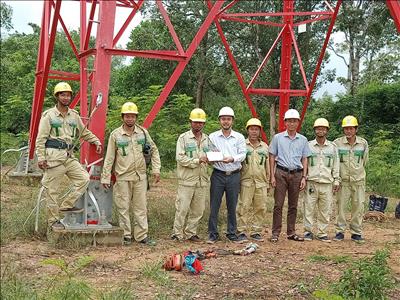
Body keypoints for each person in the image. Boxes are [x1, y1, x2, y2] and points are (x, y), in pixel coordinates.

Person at [36, 82, 102, 229]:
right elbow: (41, 139)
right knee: (52, 190)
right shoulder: (49, 116)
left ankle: (66, 205)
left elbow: (83, 132)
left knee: (84, 178)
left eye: (68, 95)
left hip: (69, 157)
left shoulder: (74, 115)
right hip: (53, 158)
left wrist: (96, 141)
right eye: (62, 94)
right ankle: (53, 221)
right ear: (57, 96)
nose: (66, 97)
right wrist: (41, 157)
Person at [100, 102, 161, 246]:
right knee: (123, 207)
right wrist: (105, 177)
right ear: (123, 117)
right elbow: (109, 157)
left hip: (140, 177)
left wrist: (156, 169)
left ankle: (141, 236)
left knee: (141, 207)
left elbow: (154, 150)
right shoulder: (116, 135)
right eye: (127, 116)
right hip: (123, 177)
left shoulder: (143, 133)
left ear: (136, 117)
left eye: (132, 116)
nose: (130, 119)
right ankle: (126, 235)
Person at [268, 109, 311, 243]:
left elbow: (305, 158)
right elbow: (272, 155)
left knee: (293, 205)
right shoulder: (278, 138)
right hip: (280, 172)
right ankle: (275, 233)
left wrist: (304, 176)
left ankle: (291, 232)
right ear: (285, 122)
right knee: (278, 204)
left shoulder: (303, 140)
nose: (292, 124)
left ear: (298, 123)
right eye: (289, 121)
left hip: (296, 174)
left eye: (294, 121)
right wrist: (272, 176)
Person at [207, 106, 247, 244]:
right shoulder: (212, 137)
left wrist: (232, 158)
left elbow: (242, 154)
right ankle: (212, 233)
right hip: (218, 174)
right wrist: (214, 158)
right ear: (220, 120)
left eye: (228, 119)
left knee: (232, 204)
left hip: (234, 175)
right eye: (223, 119)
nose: (226, 122)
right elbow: (210, 153)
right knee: (214, 205)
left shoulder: (239, 137)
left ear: (232, 121)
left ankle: (231, 233)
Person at [171, 108, 212, 242]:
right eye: (195, 122)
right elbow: (180, 158)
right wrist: (197, 160)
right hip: (187, 180)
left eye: (201, 122)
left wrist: (212, 159)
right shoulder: (183, 138)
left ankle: (191, 232)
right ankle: (177, 233)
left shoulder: (207, 139)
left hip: (202, 180)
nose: (198, 125)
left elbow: (212, 155)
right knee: (182, 208)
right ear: (190, 122)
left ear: (204, 124)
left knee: (198, 210)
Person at [303, 118, 340, 242]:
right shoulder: (308, 146)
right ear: (315, 130)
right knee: (309, 207)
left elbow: (336, 164)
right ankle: (308, 232)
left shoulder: (332, 147)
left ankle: (322, 232)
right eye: (318, 128)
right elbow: (304, 162)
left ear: (327, 130)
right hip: (311, 182)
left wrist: (336, 180)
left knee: (325, 210)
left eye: (323, 128)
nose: (320, 130)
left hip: (327, 183)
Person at [334, 115, 369, 242]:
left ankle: (356, 232)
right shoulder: (337, 144)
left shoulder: (363, 143)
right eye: (346, 128)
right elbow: (335, 163)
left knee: (358, 206)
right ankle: (339, 232)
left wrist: (358, 173)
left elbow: (364, 161)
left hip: (358, 180)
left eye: (351, 128)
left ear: (356, 129)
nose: (348, 131)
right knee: (341, 207)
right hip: (343, 181)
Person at [236, 118, 270, 242]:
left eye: (256, 129)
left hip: (261, 182)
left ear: (260, 131)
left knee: (260, 207)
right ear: (247, 130)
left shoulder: (265, 147)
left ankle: (256, 231)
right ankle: (241, 231)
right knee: (243, 207)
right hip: (246, 181)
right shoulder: (242, 145)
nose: (254, 132)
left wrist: (269, 180)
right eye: (251, 129)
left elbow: (268, 165)